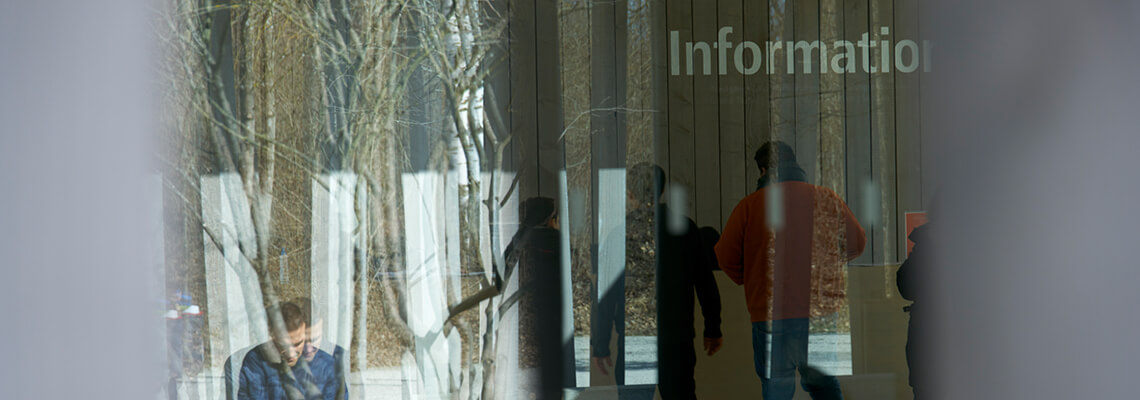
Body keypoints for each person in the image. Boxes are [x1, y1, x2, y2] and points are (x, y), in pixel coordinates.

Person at [715, 142, 866, 400]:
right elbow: (857, 242)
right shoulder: (827, 198)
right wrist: (832, 264)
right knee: (824, 385)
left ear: (763, 170)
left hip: (771, 314)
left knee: (777, 388)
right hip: (820, 313)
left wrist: (750, 278)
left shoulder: (750, 206)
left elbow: (725, 257)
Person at [591, 163, 723, 399]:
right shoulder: (686, 229)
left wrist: (600, 344)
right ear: (662, 192)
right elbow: (705, 283)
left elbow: (606, 297)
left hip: (635, 341)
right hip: (677, 338)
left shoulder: (619, 235)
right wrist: (712, 327)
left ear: (630, 195)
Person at [503, 196, 568, 397]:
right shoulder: (557, 241)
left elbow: (500, 277)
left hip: (520, 315)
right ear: (549, 218)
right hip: (551, 314)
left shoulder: (518, 240)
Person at [236, 301, 339, 400]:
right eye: (283, 345)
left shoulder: (327, 365)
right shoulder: (255, 362)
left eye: (297, 344)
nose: (291, 353)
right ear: (271, 337)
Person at [295, 298, 349, 400]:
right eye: (301, 341)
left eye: (315, 339)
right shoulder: (266, 364)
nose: (308, 349)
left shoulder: (330, 367)